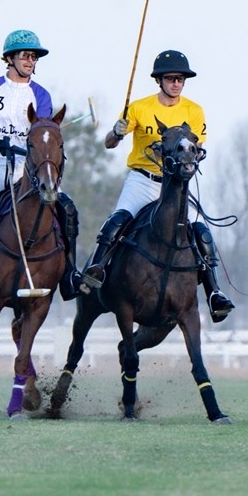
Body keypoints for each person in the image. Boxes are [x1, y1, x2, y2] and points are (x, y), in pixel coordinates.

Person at [77, 50, 235, 323]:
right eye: (171, 78)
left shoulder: (194, 111)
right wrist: (116, 131)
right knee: (117, 221)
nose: (176, 83)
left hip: (177, 186)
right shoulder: (139, 107)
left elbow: (198, 148)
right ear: (159, 80)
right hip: (143, 180)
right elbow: (108, 143)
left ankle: (214, 293)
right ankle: (96, 270)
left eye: (181, 79)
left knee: (202, 232)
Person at [0, 29, 80, 298]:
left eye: (33, 57)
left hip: (30, 166)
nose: (30, 61)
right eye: (25, 56)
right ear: (9, 58)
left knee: (67, 208)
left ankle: (70, 272)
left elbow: (42, 130)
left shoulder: (41, 94)